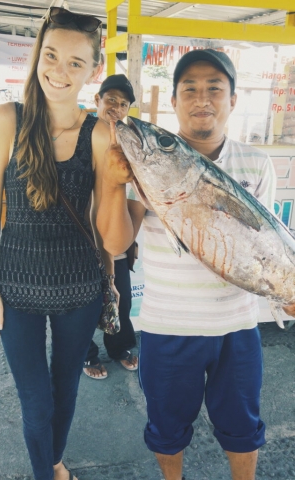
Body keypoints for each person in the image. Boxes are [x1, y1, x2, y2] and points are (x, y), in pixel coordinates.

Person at [97, 49, 295, 480]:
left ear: (233, 100)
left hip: (238, 329)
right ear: (174, 101)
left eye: (214, 89)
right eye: (189, 89)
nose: (201, 98)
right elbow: (115, 242)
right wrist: (114, 185)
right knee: (167, 428)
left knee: (243, 427)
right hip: (168, 329)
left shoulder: (256, 164)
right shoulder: (144, 164)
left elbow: (268, 245)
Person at [0, 7, 114, 480]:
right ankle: (48, 472)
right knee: (35, 403)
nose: (58, 71)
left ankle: (53, 462)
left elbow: (104, 220)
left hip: (79, 287)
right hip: (16, 287)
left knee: (65, 387)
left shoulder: (99, 133)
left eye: (75, 63)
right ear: (38, 55)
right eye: (51, 55)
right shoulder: (6, 120)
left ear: (92, 71)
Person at [83, 73, 138, 379]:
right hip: (81, 237)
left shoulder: (131, 140)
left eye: (123, 103)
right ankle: (87, 355)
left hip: (115, 235)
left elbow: (138, 197)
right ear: (98, 101)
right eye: (111, 100)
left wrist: (132, 239)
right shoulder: (81, 134)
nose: (116, 107)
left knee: (121, 300)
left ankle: (120, 348)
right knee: (81, 306)